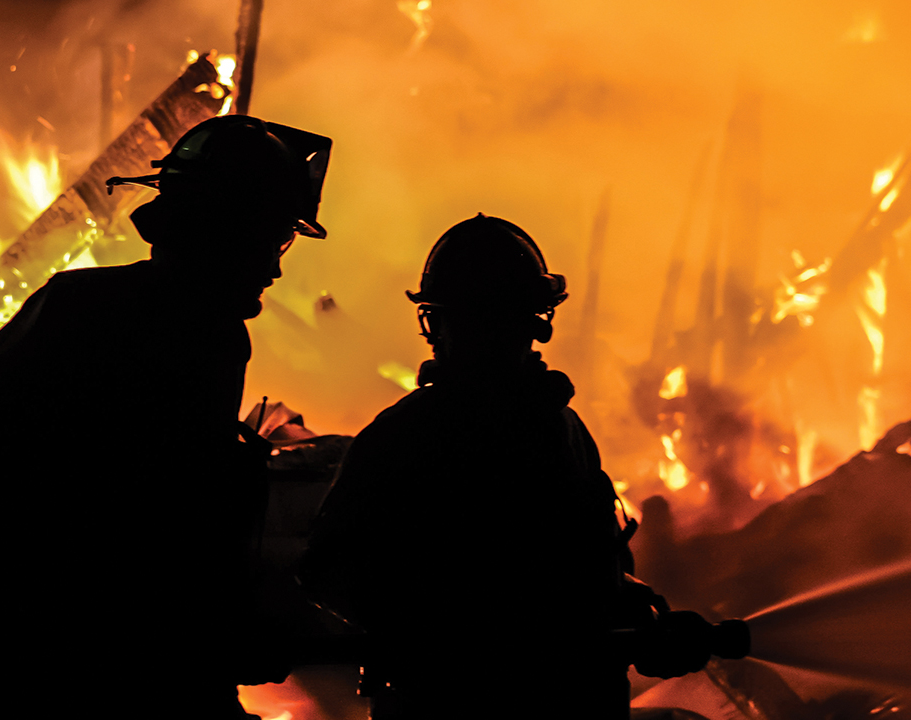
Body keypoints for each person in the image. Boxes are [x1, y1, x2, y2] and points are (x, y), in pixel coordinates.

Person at [0, 115, 331, 716]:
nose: (274, 269)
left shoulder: (71, 304)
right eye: (269, 242)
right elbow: (166, 528)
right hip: (107, 668)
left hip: (29, 650)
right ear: (225, 231)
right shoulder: (201, 337)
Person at [299, 215, 711, 718]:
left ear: (434, 322)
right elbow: (330, 568)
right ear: (541, 317)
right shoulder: (419, 435)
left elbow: (589, 565)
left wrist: (642, 612)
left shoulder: (555, 430)